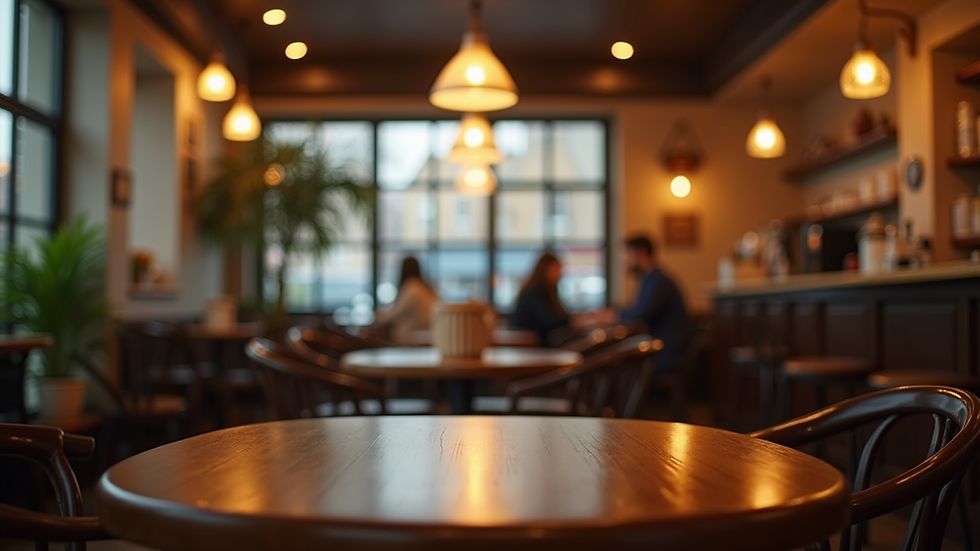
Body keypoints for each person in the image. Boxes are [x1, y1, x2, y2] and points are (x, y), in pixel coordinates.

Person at [616, 234, 691, 373]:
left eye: (627, 255)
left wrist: (610, 316)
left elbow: (639, 315)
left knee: (617, 364)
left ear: (641, 254)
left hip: (667, 353)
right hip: (659, 348)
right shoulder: (648, 280)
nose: (624, 261)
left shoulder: (658, 282)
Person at [374, 256, 440, 345]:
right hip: (431, 335)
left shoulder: (412, 287)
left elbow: (394, 314)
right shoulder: (426, 287)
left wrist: (379, 316)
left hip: (412, 338)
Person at [509, 252, 571, 344]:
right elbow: (550, 322)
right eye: (556, 270)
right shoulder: (534, 293)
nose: (559, 275)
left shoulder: (547, 292)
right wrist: (574, 322)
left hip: (541, 342)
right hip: (531, 345)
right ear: (545, 270)